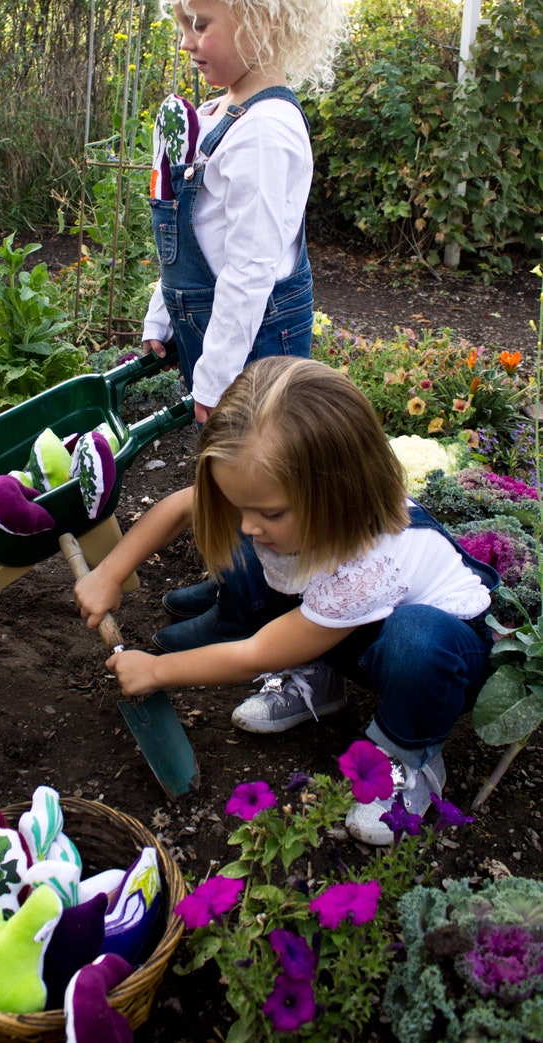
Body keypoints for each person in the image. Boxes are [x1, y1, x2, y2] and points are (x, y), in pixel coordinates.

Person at [72, 358, 498, 846]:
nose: (249, 524)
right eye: (242, 505)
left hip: (444, 662)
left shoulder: (372, 564)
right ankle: (321, 679)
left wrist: (157, 671)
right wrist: (109, 572)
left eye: (269, 512)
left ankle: (409, 755)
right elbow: (182, 507)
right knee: (271, 553)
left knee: (418, 641)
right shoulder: (283, 498)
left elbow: (257, 651)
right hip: (353, 628)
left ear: (337, 491)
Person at [144, 0, 347, 425]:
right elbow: (193, 232)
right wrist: (163, 314)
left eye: (199, 25)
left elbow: (251, 267)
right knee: (225, 463)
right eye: (182, 25)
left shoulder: (265, 130)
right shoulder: (213, 115)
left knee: (258, 466)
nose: (185, 42)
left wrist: (218, 379)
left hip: (255, 344)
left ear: (262, 21)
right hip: (219, 330)